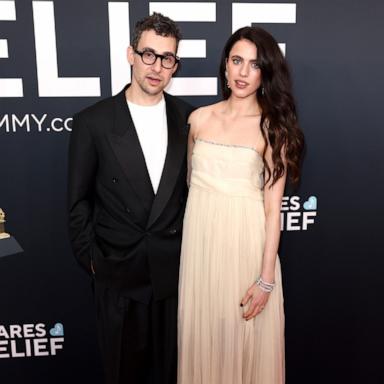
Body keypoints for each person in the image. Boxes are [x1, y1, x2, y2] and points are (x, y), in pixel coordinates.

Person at [68, 13, 193, 384]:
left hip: (176, 278)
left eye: (167, 58)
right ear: (131, 54)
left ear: (175, 65)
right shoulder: (93, 122)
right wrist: (95, 262)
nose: (157, 67)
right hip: (119, 278)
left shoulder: (190, 120)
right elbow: (78, 203)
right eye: (149, 54)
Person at [177, 26, 304, 384]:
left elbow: (271, 209)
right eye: (236, 61)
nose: (243, 72)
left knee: (244, 347)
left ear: (265, 73)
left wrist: (266, 279)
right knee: (204, 343)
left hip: (246, 249)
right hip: (200, 249)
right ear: (225, 66)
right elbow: (190, 186)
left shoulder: (272, 128)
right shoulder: (199, 120)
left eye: (254, 64)